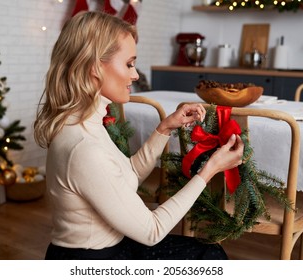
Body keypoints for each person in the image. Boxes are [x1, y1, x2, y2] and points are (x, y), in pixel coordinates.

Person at [34, 10, 244, 260]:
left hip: (103, 250)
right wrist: (210, 170)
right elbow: (151, 231)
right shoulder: (83, 147)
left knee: (209, 252)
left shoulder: (83, 124)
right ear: (94, 68)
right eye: (129, 64)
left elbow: (127, 176)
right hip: (92, 261)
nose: (135, 74)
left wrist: (164, 128)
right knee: (209, 258)